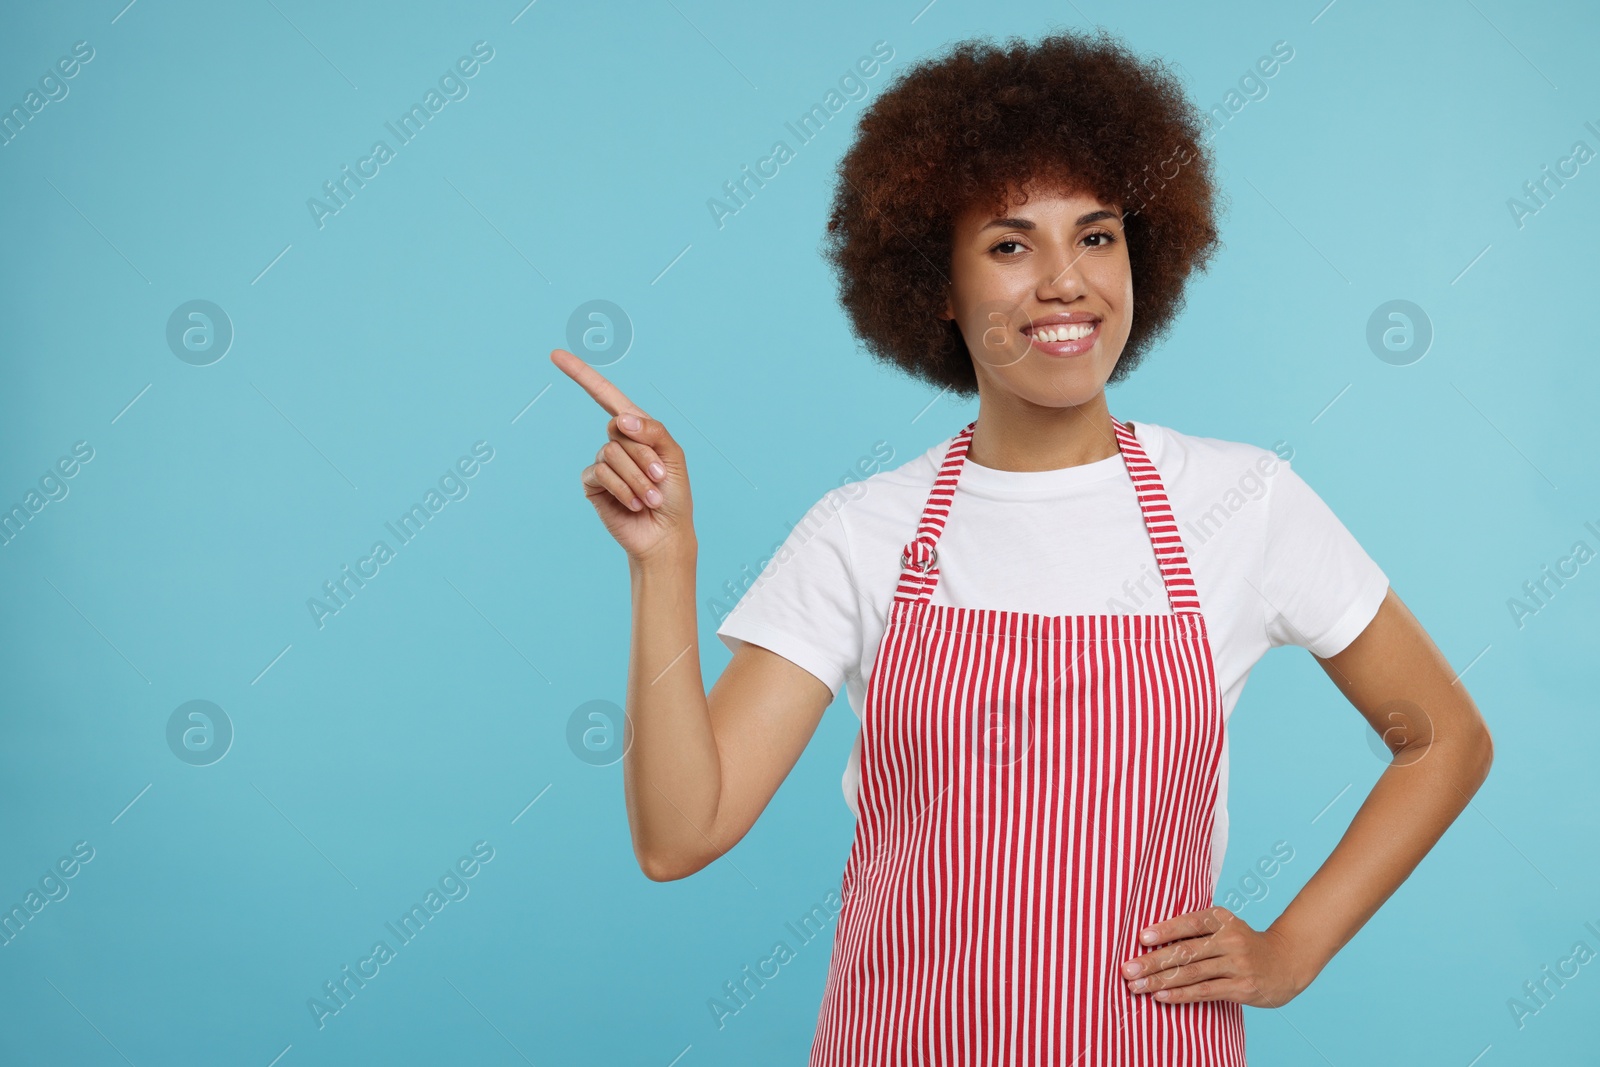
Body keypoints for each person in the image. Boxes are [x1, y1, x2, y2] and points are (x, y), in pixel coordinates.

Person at [554, 27, 1494, 1066]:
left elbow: (1442, 737)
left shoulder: (1240, 502)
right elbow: (681, 830)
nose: (1064, 281)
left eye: (1095, 236)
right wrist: (664, 561)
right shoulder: (863, 531)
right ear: (936, 288)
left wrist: (1291, 951)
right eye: (1009, 244)